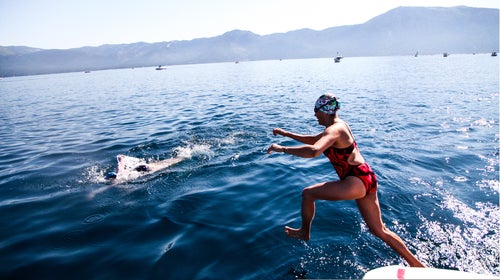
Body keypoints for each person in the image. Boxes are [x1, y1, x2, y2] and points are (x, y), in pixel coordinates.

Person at [267, 93, 425, 267]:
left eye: (316, 111)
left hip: (355, 180)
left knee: (308, 194)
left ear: (324, 111)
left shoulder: (334, 130)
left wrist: (282, 149)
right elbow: (314, 140)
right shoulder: (339, 126)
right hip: (367, 177)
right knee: (379, 230)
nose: (314, 115)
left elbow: (314, 150)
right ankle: (417, 265)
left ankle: (304, 232)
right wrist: (285, 133)